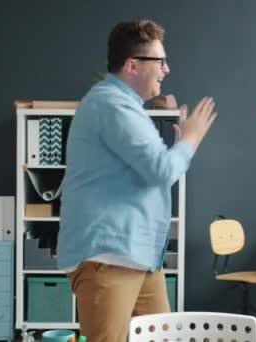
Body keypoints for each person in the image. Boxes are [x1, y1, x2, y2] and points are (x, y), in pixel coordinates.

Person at [57, 19, 217, 342]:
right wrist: (191, 139)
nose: (166, 69)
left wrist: (182, 144)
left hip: (138, 258)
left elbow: (153, 169)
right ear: (132, 65)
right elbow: (161, 169)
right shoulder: (111, 105)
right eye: (160, 62)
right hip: (109, 258)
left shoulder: (126, 107)